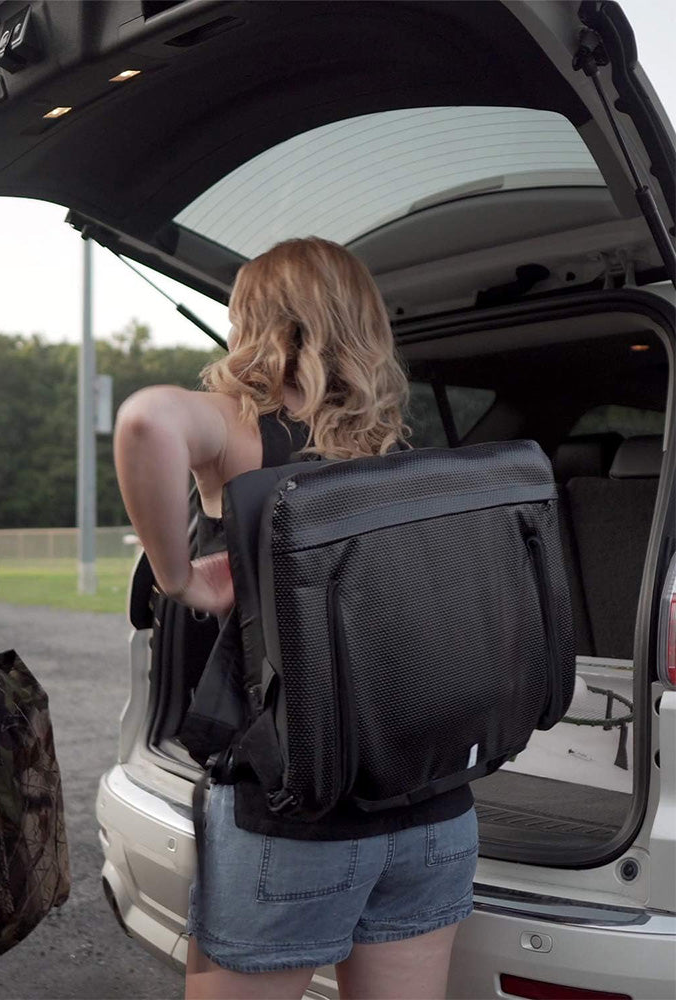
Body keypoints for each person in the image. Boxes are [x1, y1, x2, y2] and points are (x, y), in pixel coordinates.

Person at [113, 237, 478, 1000]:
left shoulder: (242, 428)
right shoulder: (396, 450)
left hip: (292, 822)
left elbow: (145, 421)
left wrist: (180, 578)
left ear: (257, 321)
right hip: (434, 811)